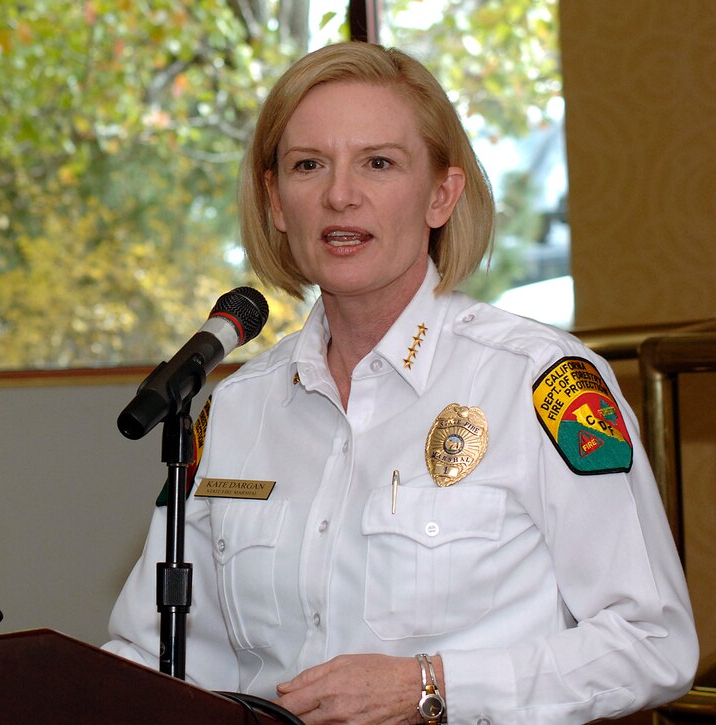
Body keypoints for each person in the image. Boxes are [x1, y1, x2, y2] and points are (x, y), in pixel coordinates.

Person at [103, 41, 697, 724]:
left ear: (442, 194)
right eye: (308, 165)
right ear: (274, 201)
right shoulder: (236, 410)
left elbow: (653, 643)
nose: (339, 194)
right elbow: (148, 660)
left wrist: (431, 684)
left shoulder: (538, 383)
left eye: (378, 163)